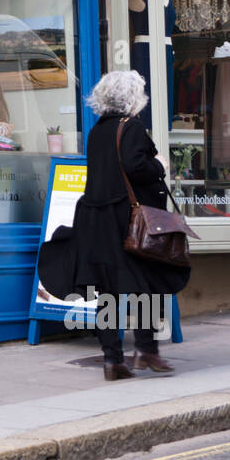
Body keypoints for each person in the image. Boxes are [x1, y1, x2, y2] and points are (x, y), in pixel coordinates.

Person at [38, 70, 190, 381]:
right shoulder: (130, 127)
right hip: (125, 220)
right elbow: (136, 167)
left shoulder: (98, 131)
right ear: (133, 98)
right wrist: (158, 165)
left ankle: (113, 359)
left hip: (95, 220)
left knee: (107, 291)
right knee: (144, 284)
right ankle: (146, 350)